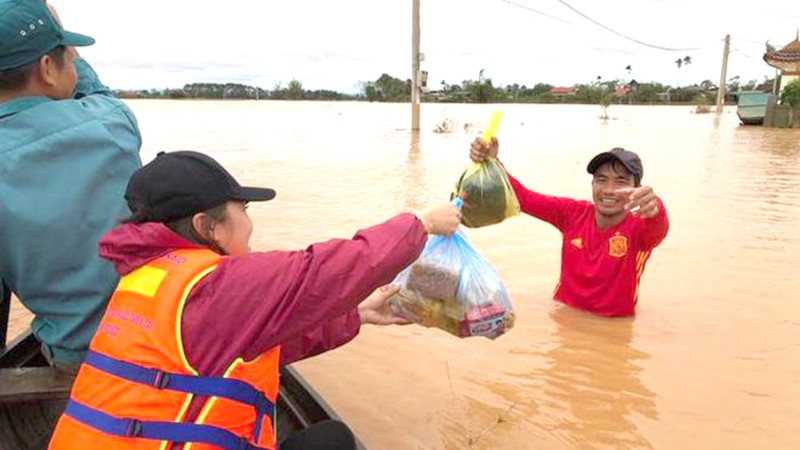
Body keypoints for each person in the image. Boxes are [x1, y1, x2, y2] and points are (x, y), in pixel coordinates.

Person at [48, 150, 461, 450]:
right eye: (242, 208)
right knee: (333, 441)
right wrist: (420, 225)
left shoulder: (147, 278)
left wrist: (357, 315)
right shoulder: (216, 284)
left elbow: (243, 352)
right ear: (207, 226)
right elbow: (328, 270)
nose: (249, 221)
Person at [0, 0, 142, 371]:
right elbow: (95, 91)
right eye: (67, 52)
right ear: (48, 67)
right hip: (149, 337)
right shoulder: (113, 123)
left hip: (73, 356)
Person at [469, 138, 669, 317]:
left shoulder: (640, 228)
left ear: (637, 188)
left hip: (613, 326)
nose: (609, 190)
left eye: (621, 181)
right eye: (601, 179)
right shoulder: (572, 213)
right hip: (563, 316)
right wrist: (493, 162)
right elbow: (524, 198)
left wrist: (656, 206)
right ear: (592, 183)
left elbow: (658, 229)